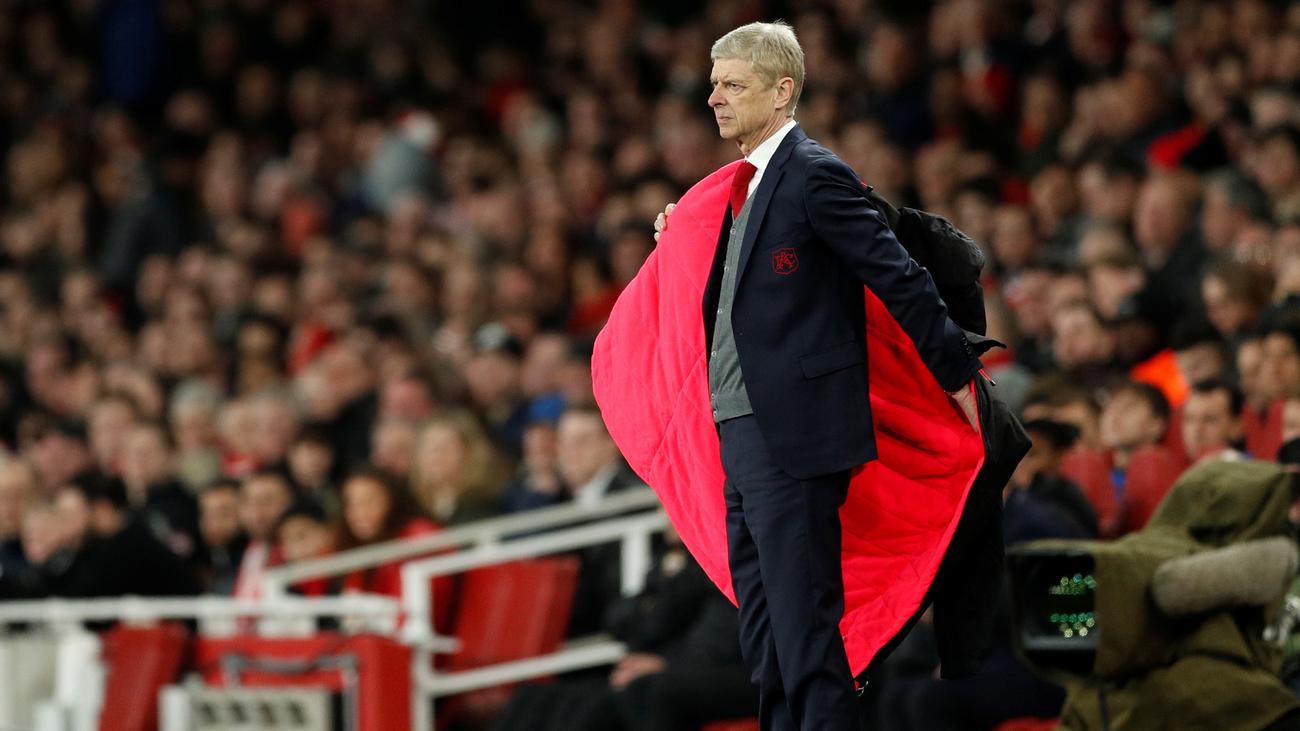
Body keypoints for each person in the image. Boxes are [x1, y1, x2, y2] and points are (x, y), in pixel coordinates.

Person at [652, 22, 981, 730]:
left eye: (732, 84)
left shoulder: (813, 173)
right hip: (738, 434)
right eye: (713, 84)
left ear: (782, 91)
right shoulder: (737, 192)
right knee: (767, 643)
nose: (714, 98)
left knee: (805, 638)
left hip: (792, 437)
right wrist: (686, 233)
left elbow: (899, 275)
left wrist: (956, 374)